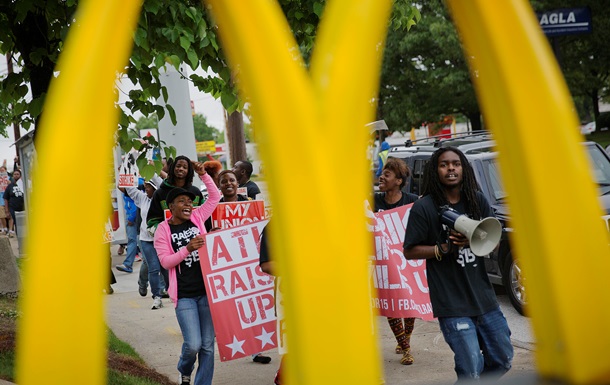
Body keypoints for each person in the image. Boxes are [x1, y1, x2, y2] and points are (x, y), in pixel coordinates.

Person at [402, 147, 513, 381]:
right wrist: (442, 249)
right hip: (451, 303)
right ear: (435, 170)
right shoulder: (424, 208)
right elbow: (409, 250)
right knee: (471, 367)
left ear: (463, 168)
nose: (451, 168)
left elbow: (492, 242)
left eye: (456, 163)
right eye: (444, 164)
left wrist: (474, 241)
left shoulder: (477, 200)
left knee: (504, 358)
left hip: (484, 300)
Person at [154, 162, 220, 385]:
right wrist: (187, 249)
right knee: (193, 345)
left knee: (208, 346)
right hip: (184, 295)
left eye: (190, 201)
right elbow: (165, 261)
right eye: (182, 201)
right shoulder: (163, 231)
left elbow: (214, 197)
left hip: (206, 292)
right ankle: (184, 368)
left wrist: (204, 175)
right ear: (171, 206)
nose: (188, 204)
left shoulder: (198, 217)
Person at [212, 169, 273, 364]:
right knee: (232, 307)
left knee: (252, 304)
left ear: (238, 184)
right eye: (224, 181)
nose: (228, 183)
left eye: (232, 180)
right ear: (219, 186)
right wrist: (212, 232)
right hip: (226, 266)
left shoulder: (250, 206)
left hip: (249, 262)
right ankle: (237, 342)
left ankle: (256, 350)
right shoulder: (213, 208)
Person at [373, 157, 418, 365]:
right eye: (382, 173)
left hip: (408, 259)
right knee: (392, 303)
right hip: (384, 262)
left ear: (398, 181)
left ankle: (405, 337)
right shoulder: (373, 201)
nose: (381, 176)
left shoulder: (412, 201)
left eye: (387, 174)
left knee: (409, 301)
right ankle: (406, 348)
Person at [146, 155, 205, 310]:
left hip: (198, 252)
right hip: (172, 248)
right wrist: (165, 231)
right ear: (172, 168)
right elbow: (151, 220)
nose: (181, 169)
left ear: (189, 171)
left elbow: (205, 218)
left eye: (185, 167)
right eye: (178, 166)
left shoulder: (196, 192)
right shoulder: (160, 193)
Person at [119, 173, 165, 297]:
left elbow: (163, 185)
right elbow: (130, 189)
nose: (145, 189)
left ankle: (163, 289)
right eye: (144, 186)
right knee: (152, 267)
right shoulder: (142, 198)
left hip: (161, 239)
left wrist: (150, 169)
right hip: (146, 239)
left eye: (148, 187)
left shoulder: (163, 198)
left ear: (154, 188)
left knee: (164, 266)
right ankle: (155, 294)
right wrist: (126, 172)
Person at [115, 193, 138, 273]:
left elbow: (135, 203)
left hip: (133, 216)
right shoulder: (126, 187)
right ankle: (128, 265)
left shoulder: (133, 185)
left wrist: (131, 217)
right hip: (131, 215)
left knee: (134, 240)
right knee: (134, 241)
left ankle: (128, 265)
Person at [4, 169, 24, 238]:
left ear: (20, 175)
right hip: (13, 208)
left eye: (17, 174)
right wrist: (7, 210)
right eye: (15, 174)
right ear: (13, 176)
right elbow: (6, 198)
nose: (16, 176)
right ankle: (20, 239)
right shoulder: (10, 186)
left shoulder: (24, 185)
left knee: (24, 224)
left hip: (23, 207)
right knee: (17, 224)